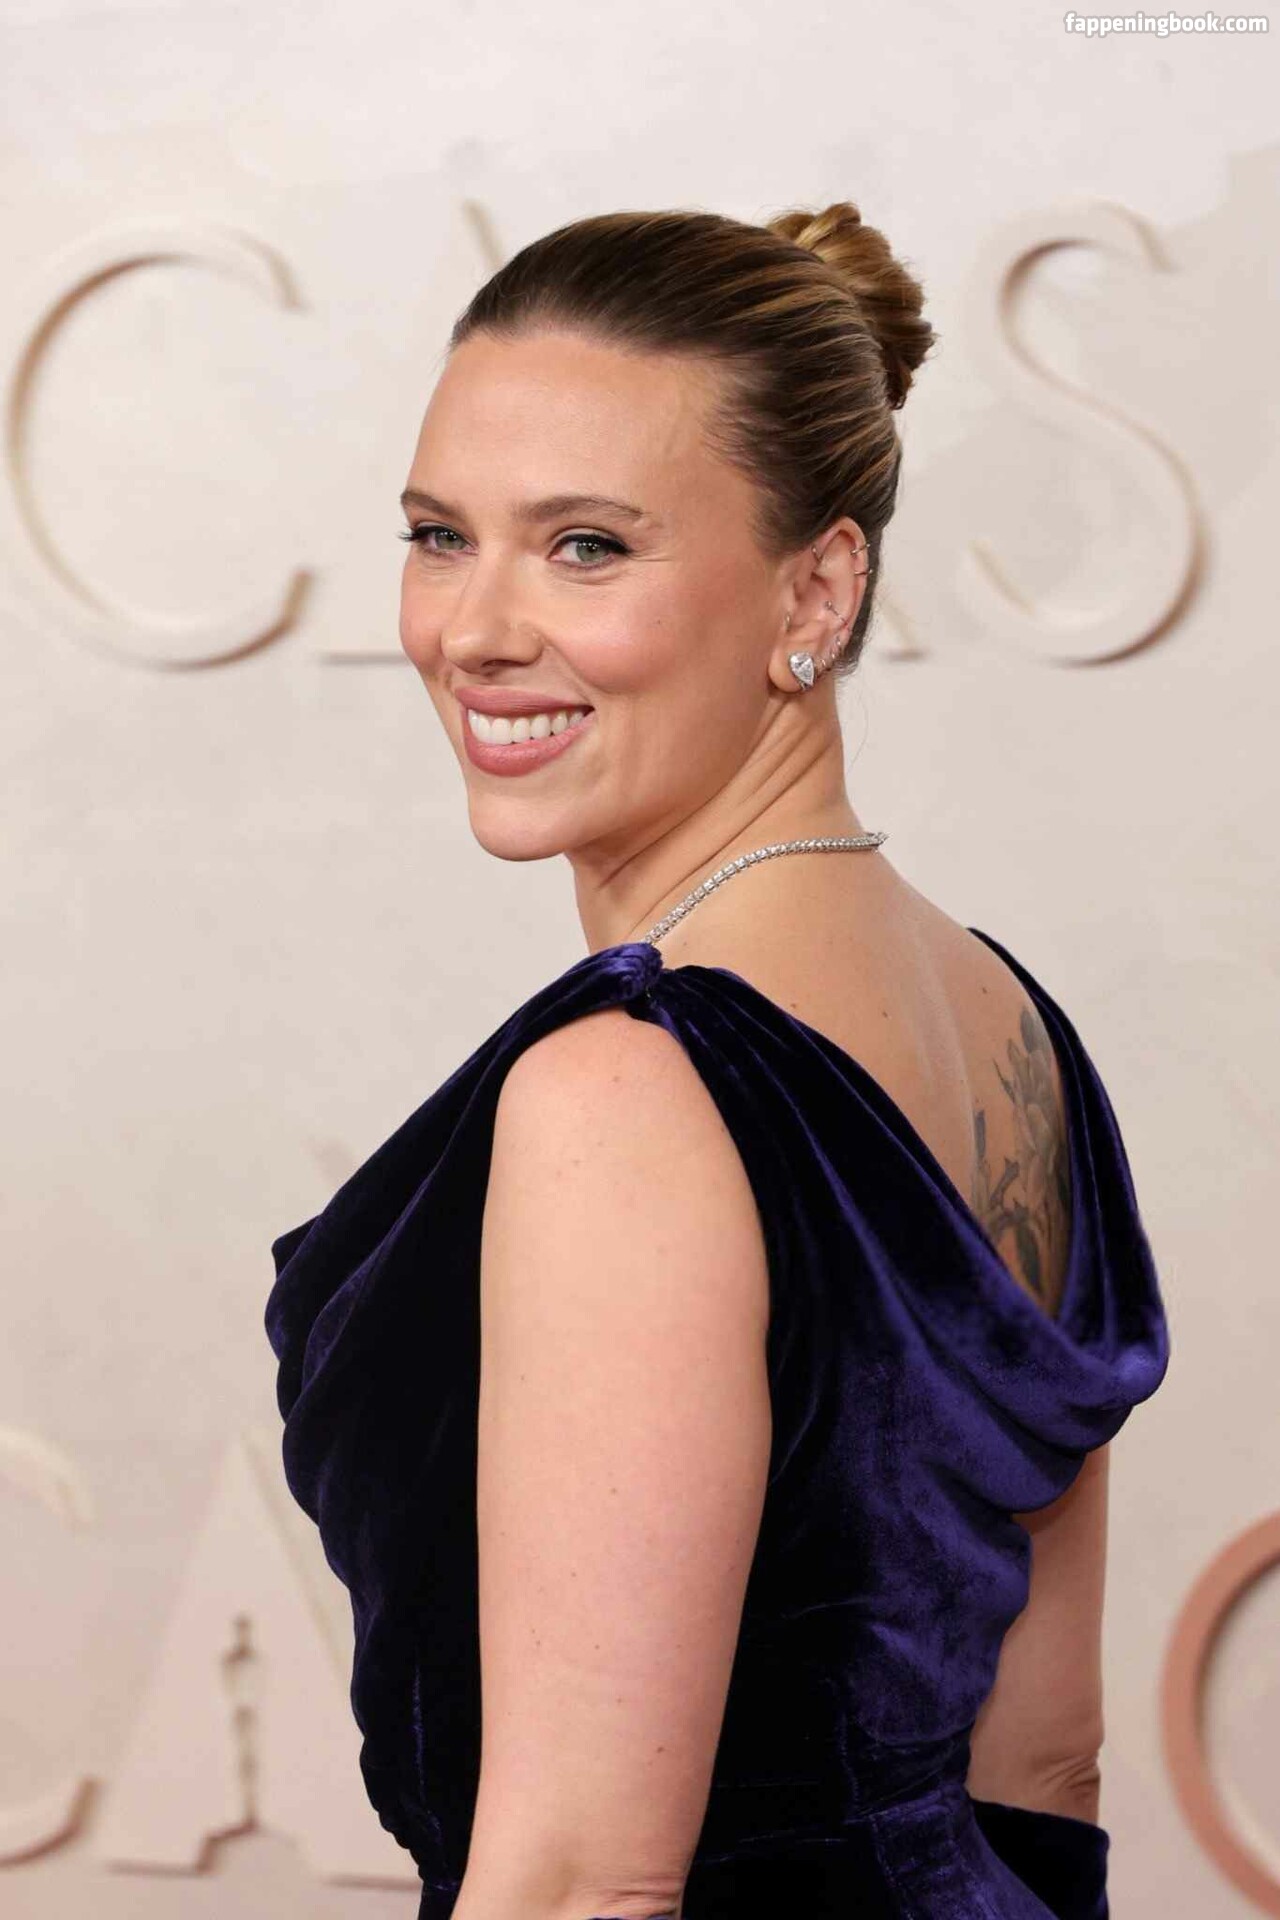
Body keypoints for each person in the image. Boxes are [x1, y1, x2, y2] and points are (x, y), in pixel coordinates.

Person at [264, 202, 1171, 1920]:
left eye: (585, 546)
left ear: (816, 586)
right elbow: (1046, 1773)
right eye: (440, 535)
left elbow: (581, 1884)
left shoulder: (625, 1089)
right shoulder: (1008, 1022)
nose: (475, 628)